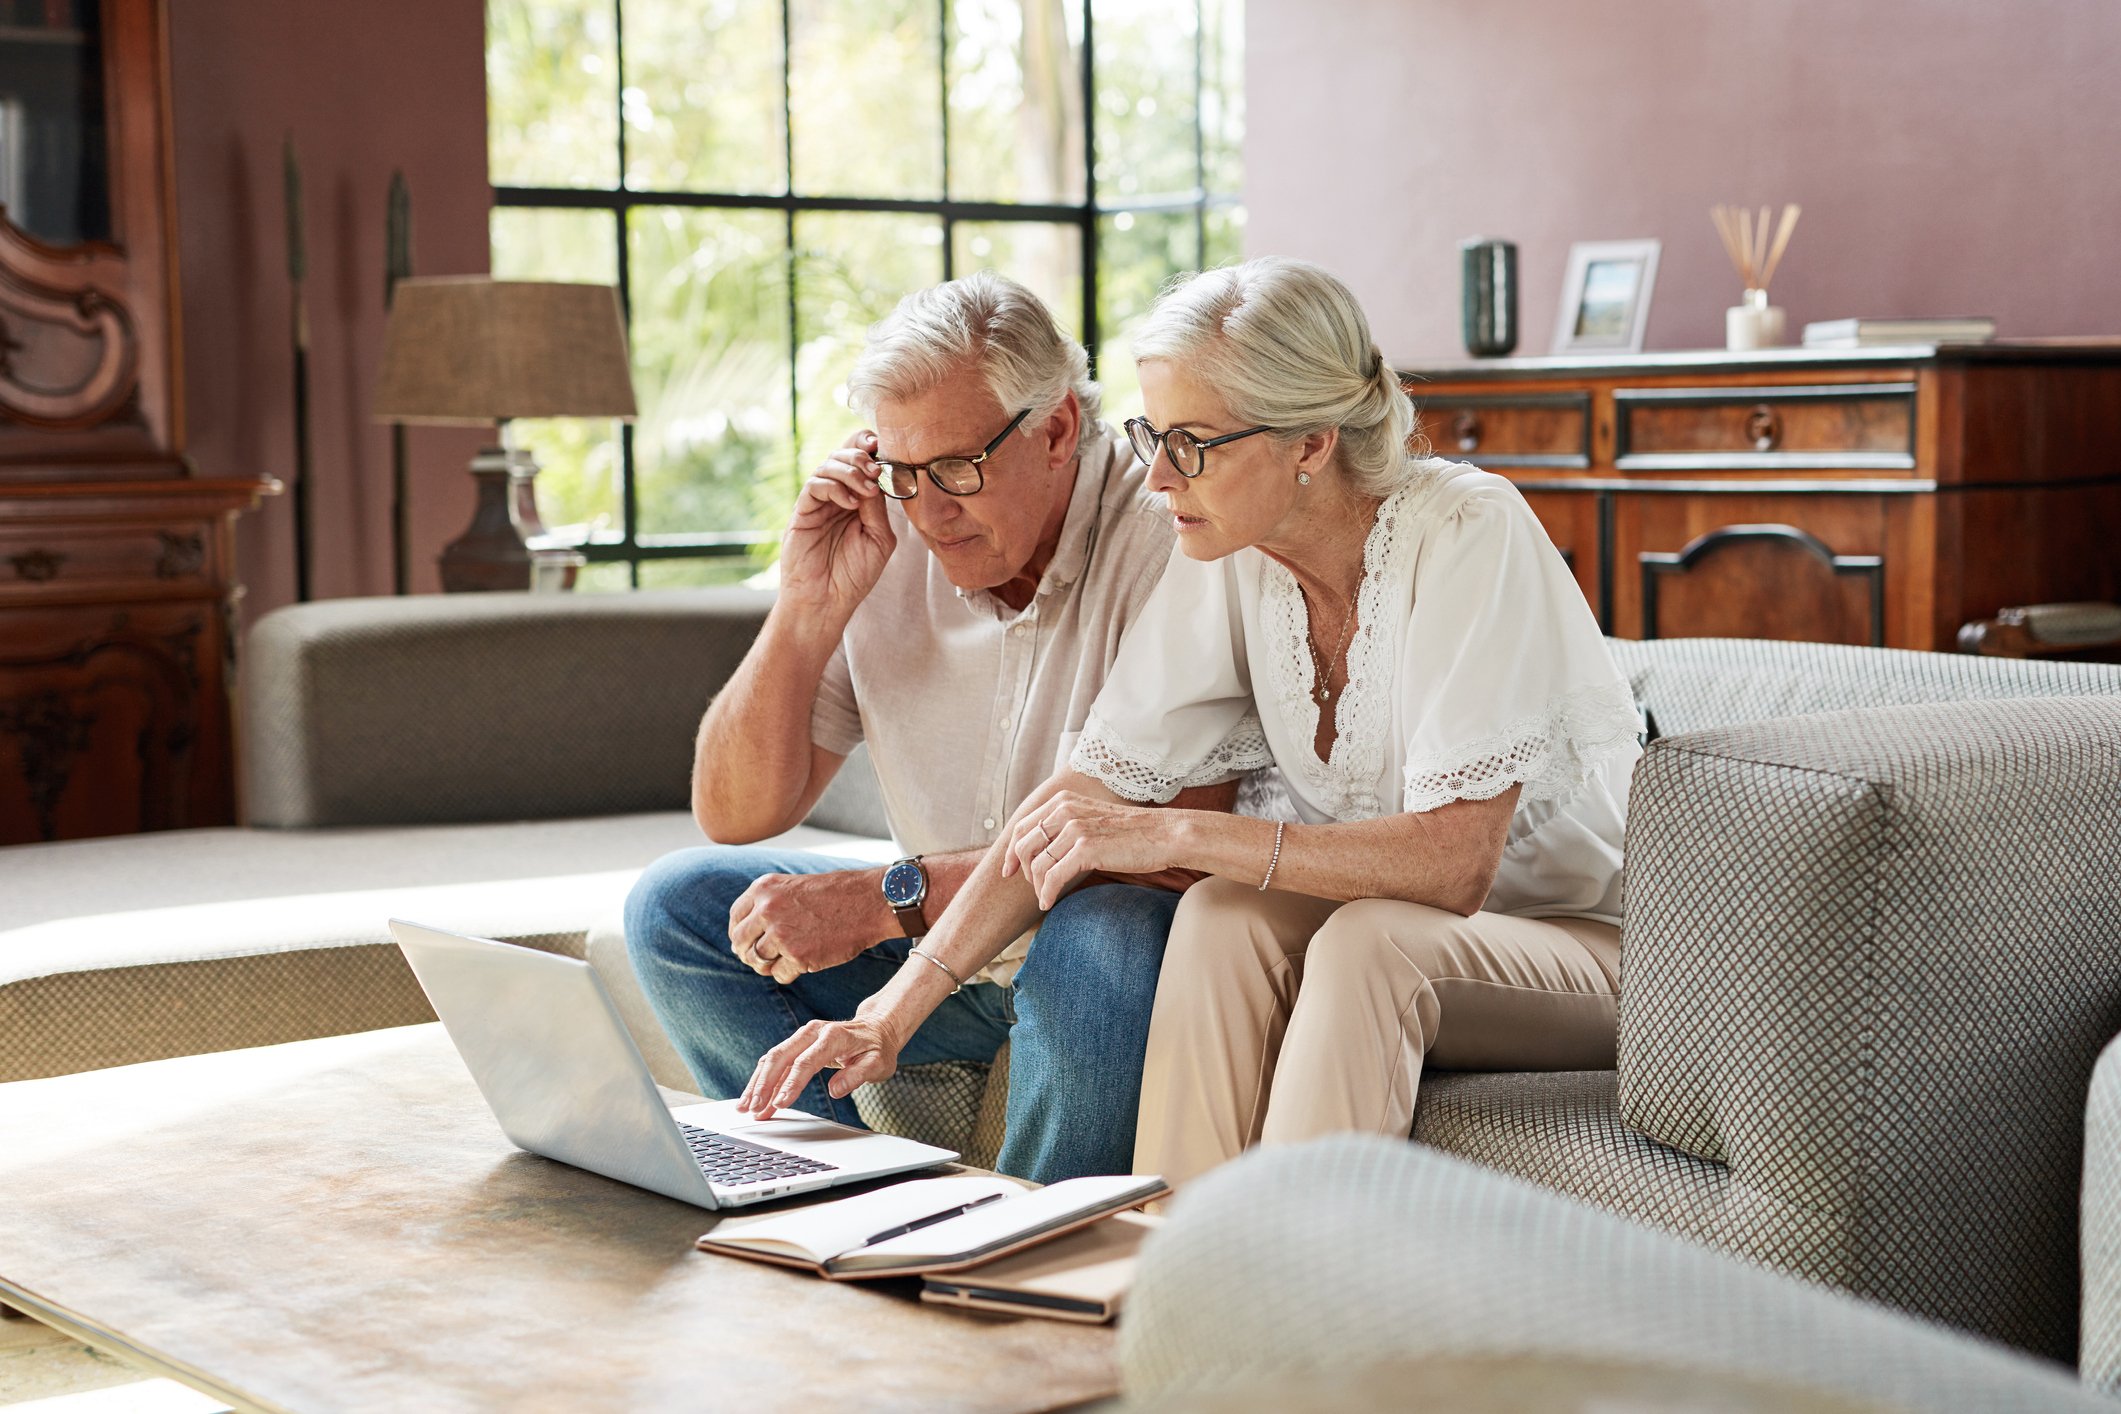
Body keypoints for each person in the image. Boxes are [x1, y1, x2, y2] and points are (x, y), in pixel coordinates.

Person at [739, 257, 1642, 1190]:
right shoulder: (1233, 554)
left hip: (1583, 949)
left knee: (1368, 945)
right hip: (1413, 931)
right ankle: (1159, 1274)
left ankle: (1288, 1307)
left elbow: (1455, 868)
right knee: (1221, 913)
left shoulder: (1466, 530)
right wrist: (890, 1013)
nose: (1159, 475)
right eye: (1151, 435)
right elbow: (1078, 802)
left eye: (1194, 443)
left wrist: (1172, 830)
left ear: (1310, 443)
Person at [625, 271, 1236, 1186]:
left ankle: (1020, 1255)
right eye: (902, 472)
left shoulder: (1172, 536)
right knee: (679, 907)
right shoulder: (891, 529)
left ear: (1059, 429)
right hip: (944, 958)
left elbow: (1172, 841)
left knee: (1109, 926)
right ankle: (833, 1205)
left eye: (956, 468)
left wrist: (887, 899)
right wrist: (803, 608)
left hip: (1105, 965)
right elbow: (736, 814)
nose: (929, 510)